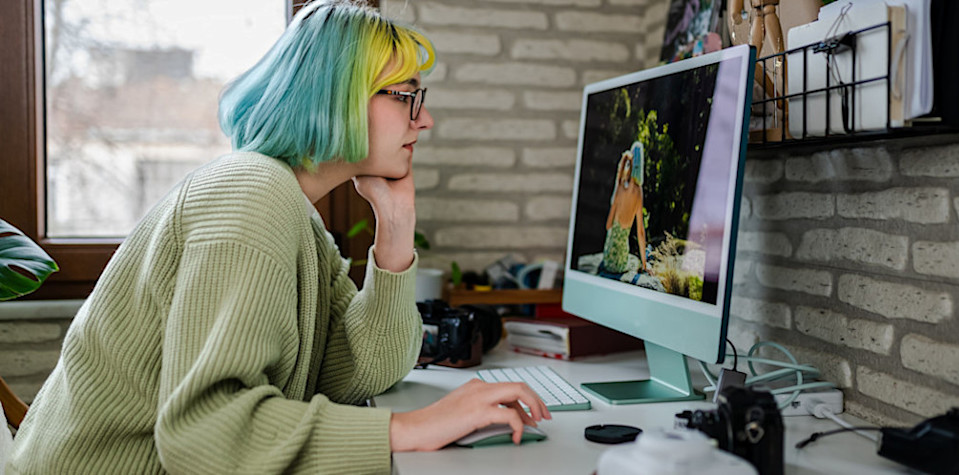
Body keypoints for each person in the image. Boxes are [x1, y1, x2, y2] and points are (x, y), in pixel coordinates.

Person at [9, 2, 548, 473]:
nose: (424, 119)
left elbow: (360, 370)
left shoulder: (292, 208)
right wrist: (408, 429)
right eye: (406, 96)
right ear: (337, 96)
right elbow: (206, 435)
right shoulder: (249, 196)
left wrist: (395, 229)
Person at [603, 141, 649, 275]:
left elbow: (608, 226)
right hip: (621, 262)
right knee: (633, 261)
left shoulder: (620, 187)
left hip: (608, 260)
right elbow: (640, 231)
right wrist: (644, 264)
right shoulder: (639, 192)